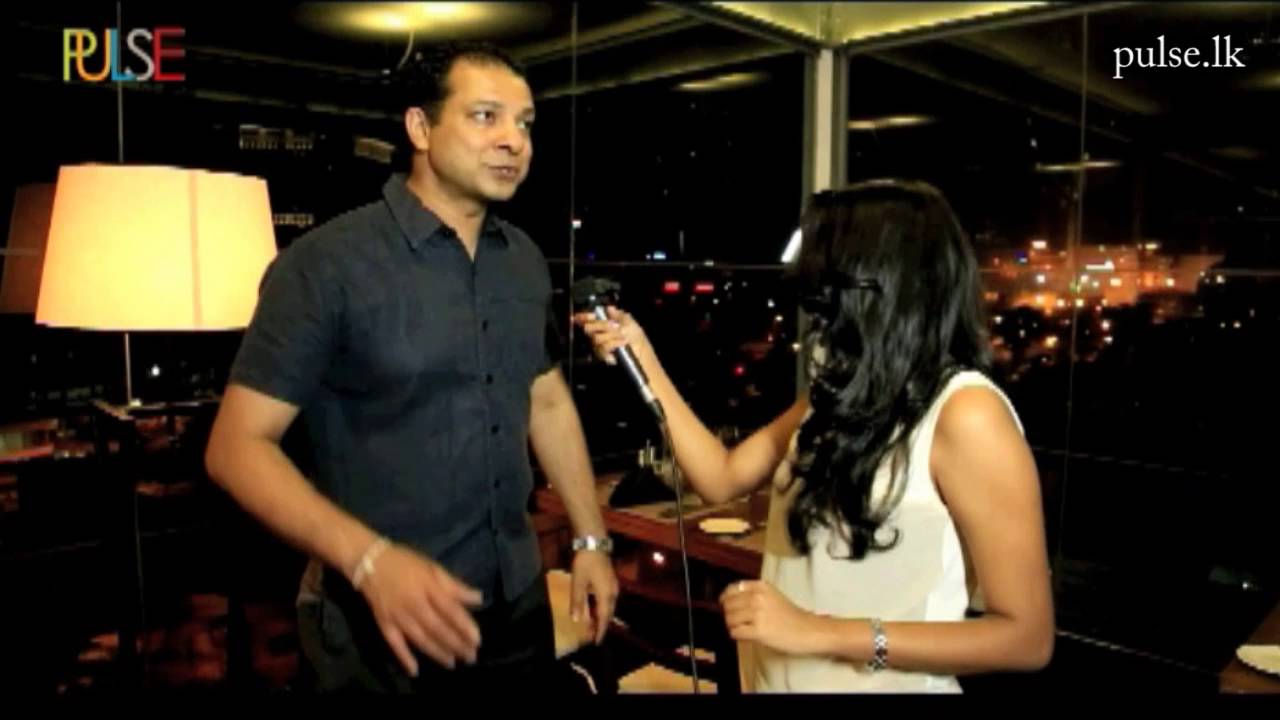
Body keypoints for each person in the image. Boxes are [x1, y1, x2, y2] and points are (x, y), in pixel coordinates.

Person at [205, 42, 617, 693]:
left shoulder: (524, 262)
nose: (513, 140)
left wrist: (591, 541)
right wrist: (369, 561)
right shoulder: (325, 266)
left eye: (525, 123)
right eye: (485, 116)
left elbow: (546, 400)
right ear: (420, 128)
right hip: (377, 626)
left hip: (514, 606)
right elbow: (235, 448)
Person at [576, 179, 1053, 692]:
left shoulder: (967, 413)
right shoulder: (838, 397)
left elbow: (1026, 637)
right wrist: (642, 356)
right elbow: (719, 476)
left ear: (878, 282)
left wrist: (818, 632)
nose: (815, 299)